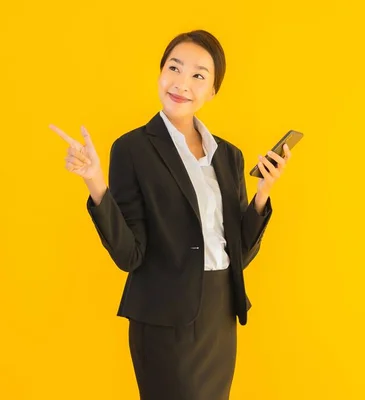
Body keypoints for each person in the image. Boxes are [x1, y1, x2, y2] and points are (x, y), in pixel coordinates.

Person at [50, 29, 292, 400]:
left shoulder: (228, 156)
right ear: (160, 72)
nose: (182, 83)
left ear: (213, 91)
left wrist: (263, 195)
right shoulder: (132, 149)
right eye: (174, 68)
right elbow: (130, 255)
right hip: (164, 321)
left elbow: (238, 255)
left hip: (218, 318)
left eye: (198, 75)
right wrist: (95, 183)